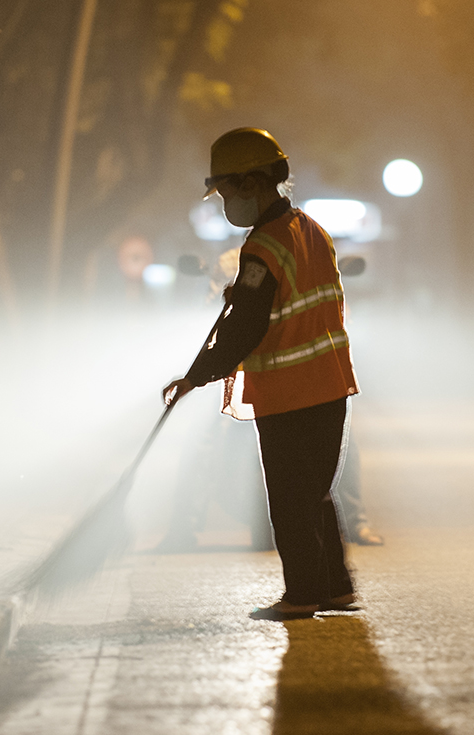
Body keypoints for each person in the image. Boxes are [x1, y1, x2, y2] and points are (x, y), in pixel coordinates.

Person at [162, 127, 360, 620]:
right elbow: (279, 305)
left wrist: (196, 376)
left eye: (226, 192)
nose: (225, 202)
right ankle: (336, 586)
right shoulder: (309, 229)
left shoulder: (264, 246)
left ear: (251, 184)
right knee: (315, 492)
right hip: (331, 385)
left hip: (291, 393)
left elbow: (245, 328)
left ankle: (301, 596)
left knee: (290, 498)